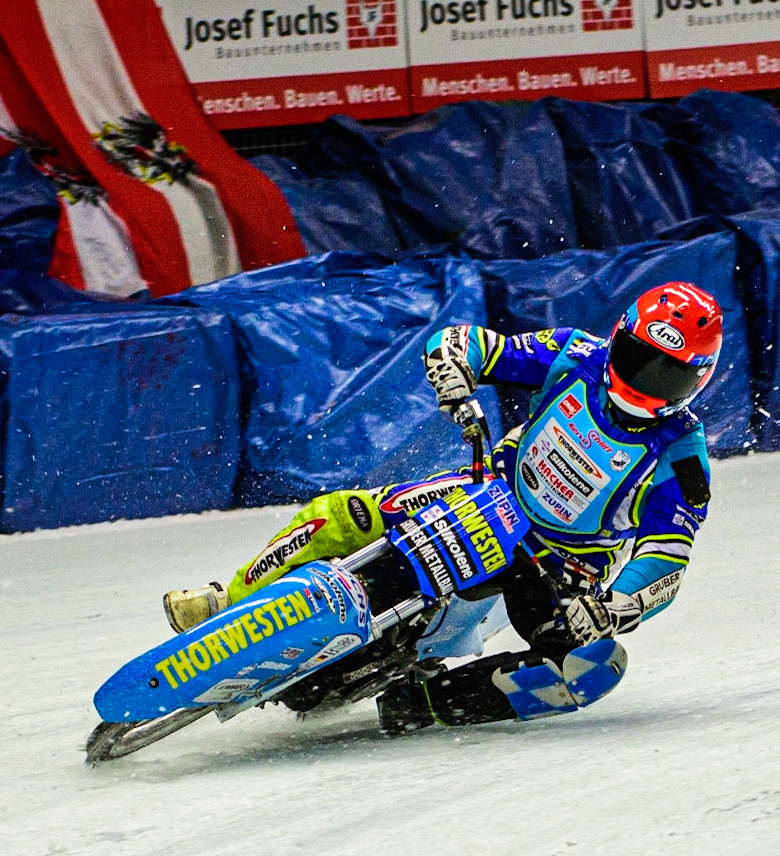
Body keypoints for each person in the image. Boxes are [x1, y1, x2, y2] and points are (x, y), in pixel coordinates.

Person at [162, 282, 723, 733]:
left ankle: (426, 703)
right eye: (636, 358)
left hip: (561, 566)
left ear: (697, 381)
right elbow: (471, 345)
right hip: (489, 493)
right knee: (345, 514)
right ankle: (229, 602)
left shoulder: (682, 457)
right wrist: (456, 377)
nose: (641, 381)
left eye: (665, 374)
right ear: (619, 337)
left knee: (590, 668)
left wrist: (611, 608)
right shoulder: (575, 354)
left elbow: (667, 559)